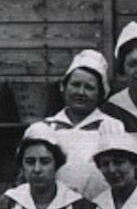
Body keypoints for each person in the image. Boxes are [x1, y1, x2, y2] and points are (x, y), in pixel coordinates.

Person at [39, 49, 126, 200]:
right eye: (75, 85)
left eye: (89, 87)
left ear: (100, 93)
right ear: (63, 87)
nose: (81, 92)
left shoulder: (112, 127)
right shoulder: (45, 128)